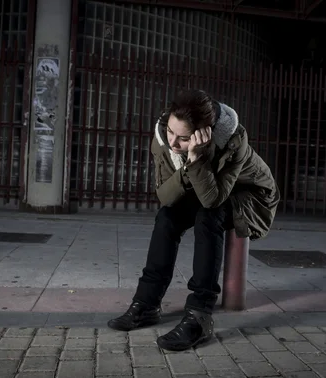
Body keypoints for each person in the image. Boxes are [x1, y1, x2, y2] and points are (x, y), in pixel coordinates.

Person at [107, 89, 280, 351]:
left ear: (204, 134)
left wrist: (196, 159)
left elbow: (212, 199)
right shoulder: (163, 138)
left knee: (208, 216)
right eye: (171, 132)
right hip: (207, 186)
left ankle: (199, 316)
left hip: (252, 197)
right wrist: (187, 167)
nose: (173, 143)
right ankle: (146, 304)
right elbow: (165, 196)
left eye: (183, 138)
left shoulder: (233, 140)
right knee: (167, 216)